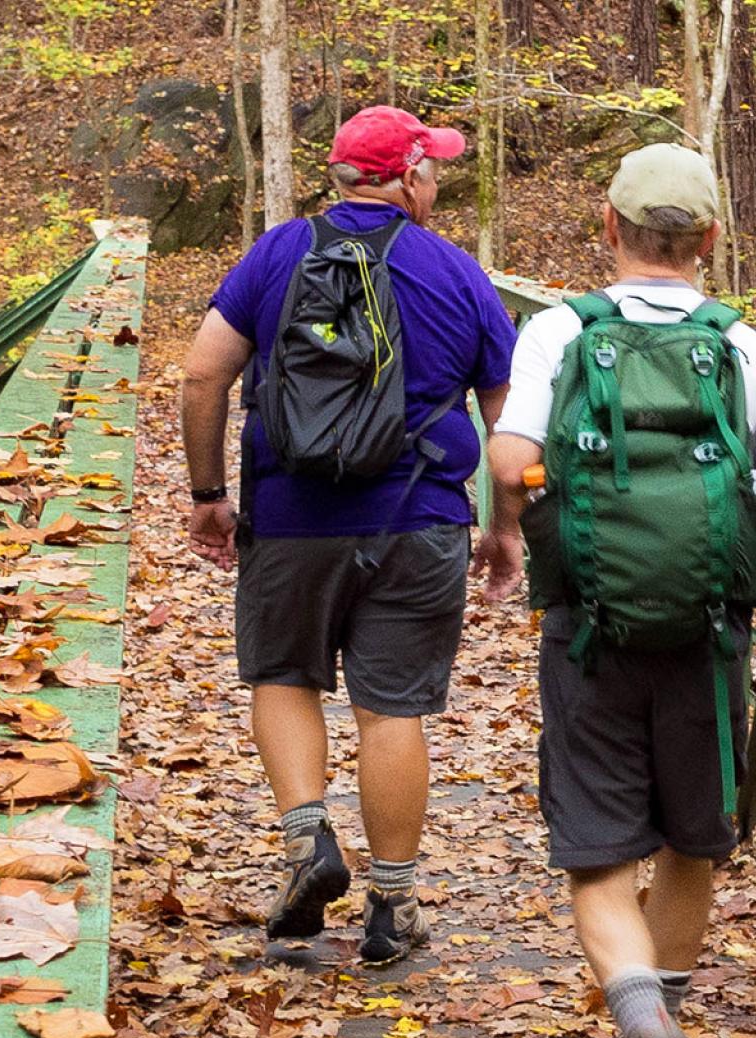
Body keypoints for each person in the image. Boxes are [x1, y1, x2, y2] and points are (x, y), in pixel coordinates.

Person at [479, 143, 756, 1038]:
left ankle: (636, 1021)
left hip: (589, 630)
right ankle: (661, 1036)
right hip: (709, 638)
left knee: (597, 854)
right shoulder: (748, 353)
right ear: (711, 242)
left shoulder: (559, 330)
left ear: (609, 227)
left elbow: (509, 459)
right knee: (695, 841)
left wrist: (516, 518)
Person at [177, 105, 519, 967]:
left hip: (291, 518)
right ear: (406, 178)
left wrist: (210, 495)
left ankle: (306, 845)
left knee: (285, 676)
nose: (437, 182)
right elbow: (507, 425)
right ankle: (392, 906)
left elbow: (201, 375)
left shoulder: (276, 254)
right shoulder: (458, 272)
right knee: (392, 708)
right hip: (420, 519)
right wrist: (503, 527)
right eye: (433, 169)